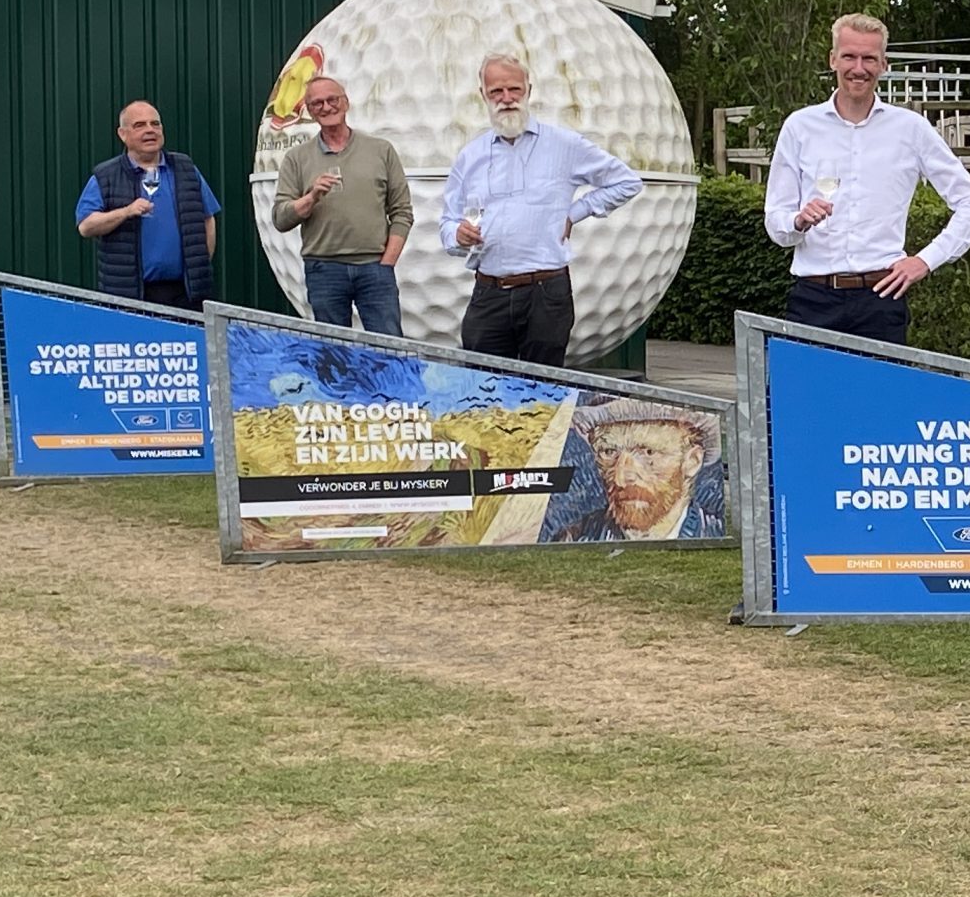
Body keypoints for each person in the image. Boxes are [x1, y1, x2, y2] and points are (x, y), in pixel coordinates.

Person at [764, 13, 970, 346]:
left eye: (869, 58)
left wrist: (925, 261)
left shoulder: (910, 129)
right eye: (849, 56)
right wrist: (797, 221)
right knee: (803, 399)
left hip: (881, 303)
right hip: (812, 300)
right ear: (833, 60)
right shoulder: (799, 127)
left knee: (882, 400)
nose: (859, 67)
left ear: (884, 63)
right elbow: (776, 224)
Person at [441, 52, 642, 367]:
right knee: (484, 393)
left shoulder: (564, 145)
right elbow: (448, 222)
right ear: (483, 95)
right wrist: (457, 234)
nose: (506, 99)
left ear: (528, 90)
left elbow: (627, 181)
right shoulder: (471, 156)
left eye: (514, 89)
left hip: (545, 293)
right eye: (496, 91)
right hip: (488, 291)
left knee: (545, 396)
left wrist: (575, 212)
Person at [271, 76, 414, 336]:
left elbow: (402, 211)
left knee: (389, 351)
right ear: (310, 111)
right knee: (333, 356)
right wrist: (312, 196)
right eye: (317, 104)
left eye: (332, 100)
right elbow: (281, 219)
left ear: (345, 103)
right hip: (323, 269)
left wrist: (386, 263)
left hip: (374, 267)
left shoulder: (381, 150)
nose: (326, 107)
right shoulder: (297, 158)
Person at [75, 100, 218, 311]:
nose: (150, 130)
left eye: (155, 124)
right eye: (139, 125)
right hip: (130, 296)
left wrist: (200, 264)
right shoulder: (105, 176)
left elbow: (208, 218)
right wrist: (126, 212)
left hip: (187, 294)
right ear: (123, 134)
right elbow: (86, 226)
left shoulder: (185, 169)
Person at [537, 396, 726, 543]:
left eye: (649, 452)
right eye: (609, 452)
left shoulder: (712, 531)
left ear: (692, 461)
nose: (621, 477)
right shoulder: (575, 538)